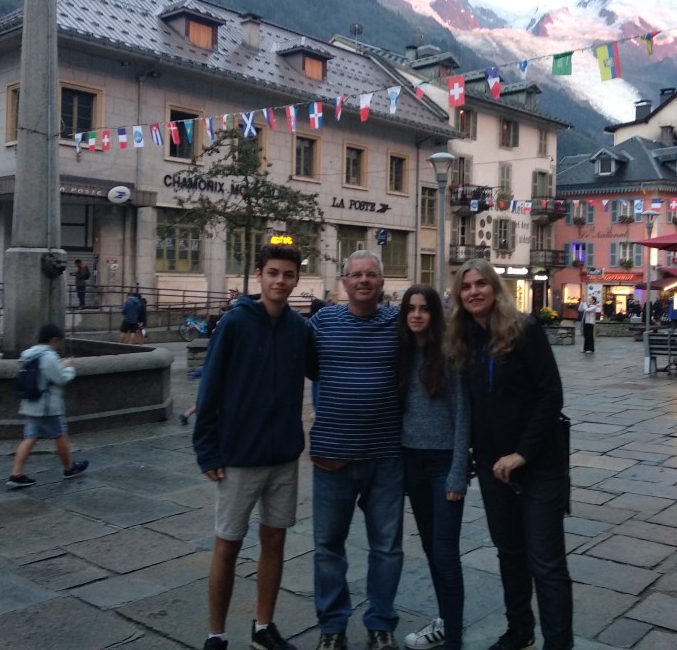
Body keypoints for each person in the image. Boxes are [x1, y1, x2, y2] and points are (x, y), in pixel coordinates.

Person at [444, 259, 573, 650]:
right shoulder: (462, 338)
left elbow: (550, 395)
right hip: (492, 466)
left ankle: (558, 644)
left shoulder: (524, 329)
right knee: (510, 554)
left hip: (540, 463)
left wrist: (521, 454)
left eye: (481, 284)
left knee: (546, 561)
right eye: (466, 286)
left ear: (495, 288)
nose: (474, 292)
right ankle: (520, 631)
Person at [192, 244, 312, 650]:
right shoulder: (235, 323)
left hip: (283, 456)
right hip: (239, 455)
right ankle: (216, 633)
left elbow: (323, 367)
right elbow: (209, 387)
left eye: (288, 274)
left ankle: (263, 626)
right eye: (273, 273)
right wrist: (207, 449)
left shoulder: (299, 328)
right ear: (259, 274)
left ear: (296, 279)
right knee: (228, 543)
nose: (281, 281)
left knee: (275, 541)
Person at [307, 250, 403, 650]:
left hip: (386, 455)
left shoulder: (399, 323)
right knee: (328, 548)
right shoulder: (322, 323)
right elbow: (294, 362)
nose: (364, 280)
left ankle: (380, 623)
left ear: (381, 283)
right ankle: (332, 626)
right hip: (332, 455)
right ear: (344, 281)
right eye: (356, 274)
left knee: (387, 548)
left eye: (371, 275)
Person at [397, 286, 469, 650]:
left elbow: (463, 415)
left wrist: (458, 471)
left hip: (443, 464)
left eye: (424, 309)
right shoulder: (401, 353)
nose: (416, 315)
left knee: (445, 554)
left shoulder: (448, 353)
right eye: (411, 309)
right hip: (412, 463)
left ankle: (453, 638)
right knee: (430, 549)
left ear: (434, 314)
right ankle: (445, 621)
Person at [6, 323, 88, 488]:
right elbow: (60, 379)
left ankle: (16, 474)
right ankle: (69, 468)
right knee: (60, 434)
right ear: (54, 340)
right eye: (59, 342)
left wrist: (60, 365)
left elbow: (43, 373)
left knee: (30, 437)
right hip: (47, 407)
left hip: (31, 403)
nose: (59, 346)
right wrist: (69, 368)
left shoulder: (28, 354)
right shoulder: (49, 356)